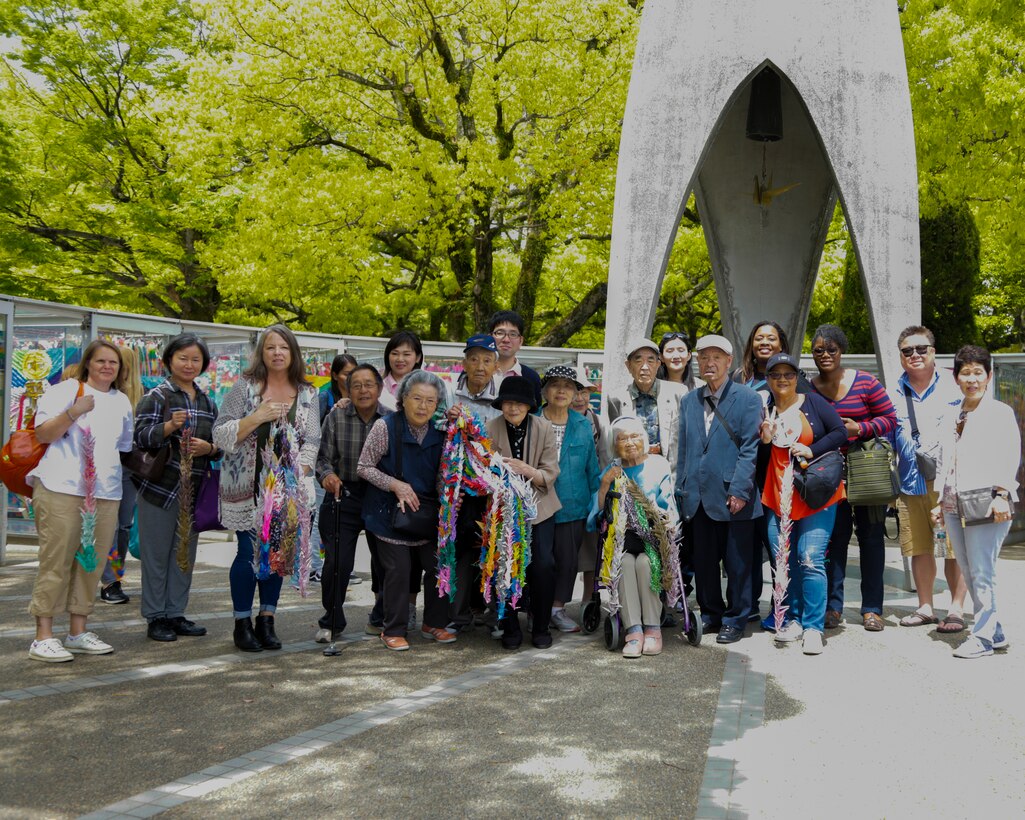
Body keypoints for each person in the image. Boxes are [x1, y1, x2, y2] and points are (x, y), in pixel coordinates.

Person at [213, 324, 321, 652]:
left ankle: (267, 619)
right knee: (248, 554)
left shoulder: (307, 393)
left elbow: (312, 439)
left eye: (283, 347)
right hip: (247, 488)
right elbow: (220, 434)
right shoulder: (245, 387)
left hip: (287, 491)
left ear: (293, 353)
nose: (277, 353)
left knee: (277, 555)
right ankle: (241, 623)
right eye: (270, 347)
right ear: (261, 352)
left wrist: (300, 472)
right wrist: (257, 416)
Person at [26, 340, 134, 662]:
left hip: (105, 493)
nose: (106, 367)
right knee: (55, 562)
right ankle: (43, 636)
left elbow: (123, 445)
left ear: (120, 369)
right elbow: (43, 434)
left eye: (113, 363)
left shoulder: (122, 401)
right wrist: (74, 411)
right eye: (100, 361)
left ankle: (77, 632)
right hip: (61, 488)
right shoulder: (65, 391)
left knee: (90, 564)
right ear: (88, 363)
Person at [933, 345, 1020, 659]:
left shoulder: (999, 413)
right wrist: (939, 501)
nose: (971, 379)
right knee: (968, 570)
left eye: (977, 373)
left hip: (987, 500)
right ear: (956, 377)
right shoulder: (952, 413)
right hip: (955, 503)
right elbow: (946, 459)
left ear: (989, 376)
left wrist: (1001, 494)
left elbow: (1010, 455)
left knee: (982, 571)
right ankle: (994, 632)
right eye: (965, 373)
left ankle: (981, 637)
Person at [358, 370, 455, 651]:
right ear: (403, 398)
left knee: (439, 564)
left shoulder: (441, 432)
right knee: (399, 570)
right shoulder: (385, 427)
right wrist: (395, 485)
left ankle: (434, 623)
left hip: (426, 513)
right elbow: (363, 467)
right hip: (388, 513)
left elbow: (441, 475)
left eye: (430, 401)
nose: (423, 406)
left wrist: (448, 503)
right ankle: (393, 629)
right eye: (417, 398)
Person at [809, 324, 897, 632]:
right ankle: (833, 607)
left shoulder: (866, 383)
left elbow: (890, 419)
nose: (825, 355)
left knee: (872, 538)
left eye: (831, 349)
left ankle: (872, 608)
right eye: (819, 350)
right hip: (829, 474)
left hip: (866, 471)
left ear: (841, 350)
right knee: (835, 540)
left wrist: (860, 429)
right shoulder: (809, 387)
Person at [758, 353, 848, 655]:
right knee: (784, 562)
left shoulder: (812, 402)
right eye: (775, 374)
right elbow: (756, 455)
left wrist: (811, 449)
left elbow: (839, 431)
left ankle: (813, 627)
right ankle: (792, 619)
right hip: (777, 495)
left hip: (815, 495)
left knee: (810, 558)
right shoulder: (765, 408)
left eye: (788, 374)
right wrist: (766, 440)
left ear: (798, 376)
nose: (782, 379)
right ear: (768, 379)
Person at [676, 334, 762, 644]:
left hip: (734, 495)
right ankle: (711, 613)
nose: (709, 362)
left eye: (717, 357)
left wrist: (740, 490)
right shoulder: (689, 400)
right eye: (703, 357)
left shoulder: (749, 399)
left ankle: (736, 618)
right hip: (698, 495)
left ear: (729, 361)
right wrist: (681, 489)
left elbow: (751, 448)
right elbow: (684, 450)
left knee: (738, 564)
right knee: (705, 562)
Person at [133, 334, 219, 642]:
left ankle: (176, 613)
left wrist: (208, 448)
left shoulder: (208, 401)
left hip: (192, 492)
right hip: (158, 488)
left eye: (196, 359)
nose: (189, 364)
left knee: (184, 554)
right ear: (170, 360)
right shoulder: (156, 396)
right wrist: (168, 427)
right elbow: (139, 438)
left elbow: (219, 446)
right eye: (183, 358)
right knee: (156, 555)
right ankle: (156, 617)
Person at [890, 326, 967, 632]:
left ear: (934, 351)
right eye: (908, 351)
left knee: (954, 547)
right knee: (919, 547)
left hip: (951, 481)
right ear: (901, 356)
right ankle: (925, 607)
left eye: (921, 349)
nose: (915, 355)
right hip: (911, 480)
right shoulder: (892, 391)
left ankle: (957, 609)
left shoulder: (955, 385)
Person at [593, 416, 680, 657]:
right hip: (621, 539)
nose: (629, 443)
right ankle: (634, 629)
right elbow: (598, 514)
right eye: (622, 438)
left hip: (652, 537)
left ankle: (652, 627)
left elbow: (669, 505)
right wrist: (604, 484)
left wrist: (665, 518)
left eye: (635, 437)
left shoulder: (658, 465)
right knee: (624, 563)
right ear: (614, 445)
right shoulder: (612, 470)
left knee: (644, 562)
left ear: (644, 438)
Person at [486, 375, 562, 649]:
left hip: (539, 505)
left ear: (530, 405)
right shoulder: (491, 427)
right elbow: (484, 469)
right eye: (507, 403)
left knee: (543, 564)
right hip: (505, 507)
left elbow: (551, 470)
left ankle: (541, 626)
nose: (513, 408)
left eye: (519, 403)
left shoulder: (544, 427)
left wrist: (528, 471)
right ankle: (509, 628)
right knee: (506, 564)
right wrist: (500, 476)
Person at [315, 364, 388, 642]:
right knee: (337, 561)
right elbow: (322, 459)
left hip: (379, 495)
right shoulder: (335, 418)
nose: (363, 390)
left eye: (369, 384)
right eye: (356, 385)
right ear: (347, 388)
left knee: (385, 561)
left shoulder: (390, 419)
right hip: (342, 494)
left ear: (379, 388)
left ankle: (381, 615)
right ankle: (332, 619)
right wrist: (328, 476)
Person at [446, 334, 502, 634]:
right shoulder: (448, 394)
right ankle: (458, 614)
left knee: (492, 547)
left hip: (492, 488)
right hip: (457, 489)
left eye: (487, 360)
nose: (480, 366)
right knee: (461, 548)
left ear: (495, 364)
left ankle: (490, 611)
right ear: (464, 362)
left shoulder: (503, 397)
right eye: (474, 359)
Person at [539, 365, 600, 633]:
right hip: (537, 504)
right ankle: (536, 608)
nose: (562, 391)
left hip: (573, 504)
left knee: (568, 561)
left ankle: (557, 608)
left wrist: (597, 504)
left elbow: (592, 467)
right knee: (540, 560)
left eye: (568, 386)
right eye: (555, 384)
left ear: (576, 392)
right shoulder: (532, 419)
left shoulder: (583, 425)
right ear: (544, 390)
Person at [99, 346, 144, 605]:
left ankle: (113, 578)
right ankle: (109, 580)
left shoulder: (140, 396)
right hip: (103, 469)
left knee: (123, 526)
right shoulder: (103, 395)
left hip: (127, 469)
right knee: (114, 526)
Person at [606, 338, 687, 476]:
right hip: (633, 470)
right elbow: (616, 440)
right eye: (638, 361)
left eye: (650, 361)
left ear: (658, 364)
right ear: (628, 366)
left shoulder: (679, 393)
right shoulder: (616, 398)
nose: (644, 367)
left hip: (669, 470)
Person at [571, 368, 602, 604]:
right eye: (575, 391)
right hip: (564, 494)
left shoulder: (598, 422)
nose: (579, 398)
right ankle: (557, 602)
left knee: (592, 550)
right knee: (566, 552)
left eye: (584, 392)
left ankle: (589, 600)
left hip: (592, 494)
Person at [488, 310, 542, 407]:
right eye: (500, 333)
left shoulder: (531, 377)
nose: (506, 340)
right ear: (490, 337)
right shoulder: (476, 372)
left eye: (513, 334)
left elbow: (535, 414)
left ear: (520, 340)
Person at [379, 330, 423, 412]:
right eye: (395, 353)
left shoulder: (427, 387)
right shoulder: (378, 387)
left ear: (418, 358)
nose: (400, 359)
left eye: (406, 354)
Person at [319, 354, 358, 423]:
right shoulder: (324, 397)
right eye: (346, 374)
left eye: (354, 373)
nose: (352, 378)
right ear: (335, 376)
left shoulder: (358, 396)